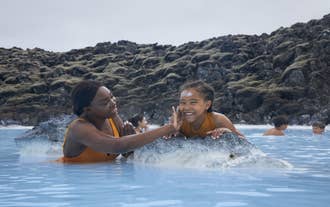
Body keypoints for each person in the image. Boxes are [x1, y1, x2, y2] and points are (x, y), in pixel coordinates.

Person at [57, 80, 181, 163]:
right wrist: (167, 128)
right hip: (75, 180)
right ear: (87, 109)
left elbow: (124, 152)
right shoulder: (79, 128)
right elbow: (117, 146)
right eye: (105, 102)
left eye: (112, 96)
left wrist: (129, 142)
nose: (113, 102)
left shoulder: (112, 117)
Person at [174, 80, 244, 139]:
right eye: (183, 102)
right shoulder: (179, 120)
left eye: (193, 102)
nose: (186, 107)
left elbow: (242, 141)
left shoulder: (218, 120)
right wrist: (174, 132)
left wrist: (227, 132)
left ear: (207, 105)